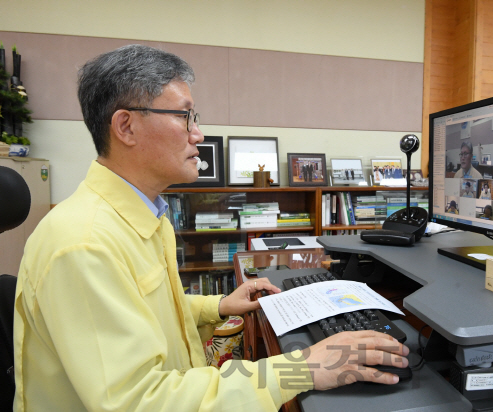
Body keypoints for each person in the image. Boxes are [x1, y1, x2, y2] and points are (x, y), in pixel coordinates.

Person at [12, 45, 409, 412]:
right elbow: (139, 401)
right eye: (184, 116)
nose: (198, 134)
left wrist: (215, 306)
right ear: (126, 127)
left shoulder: (141, 213)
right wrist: (303, 368)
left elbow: (138, 314)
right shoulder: (83, 244)